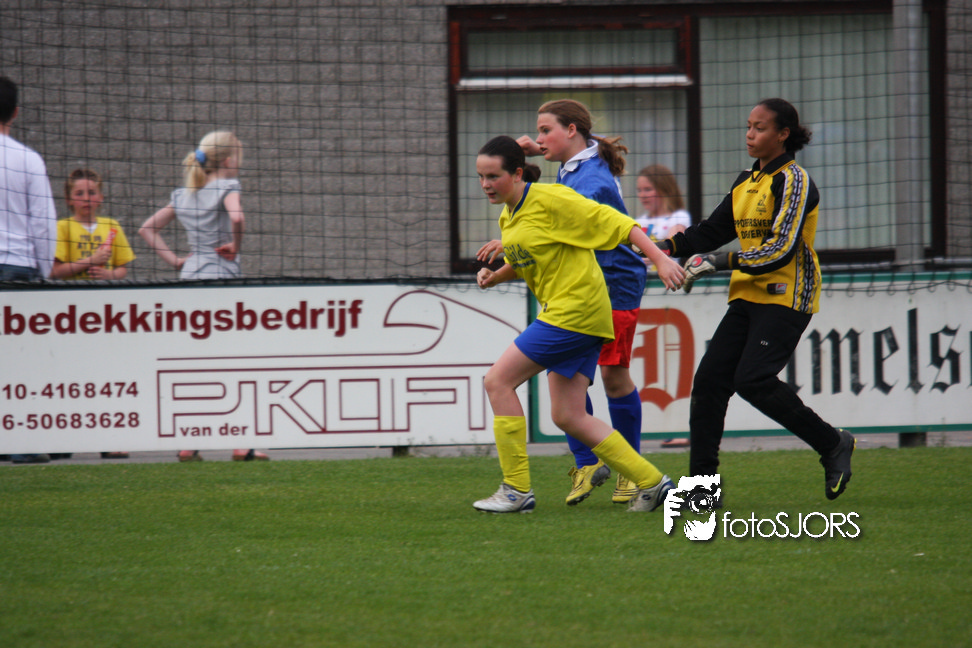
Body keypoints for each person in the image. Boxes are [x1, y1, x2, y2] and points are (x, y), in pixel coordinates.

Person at [472, 135, 685, 513]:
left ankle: (516, 491)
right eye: (481, 177)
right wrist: (495, 276)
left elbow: (617, 223)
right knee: (567, 415)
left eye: (493, 176)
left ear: (517, 174)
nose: (486, 184)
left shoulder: (551, 199)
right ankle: (654, 484)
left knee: (497, 381)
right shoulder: (509, 214)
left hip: (574, 313)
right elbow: (528, 259)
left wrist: (661, 259)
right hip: (575, 314)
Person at [659, 98, 855, 500]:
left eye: (760, 128)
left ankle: (833, 443)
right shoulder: (746, 181)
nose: (750, 134)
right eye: (749, 126)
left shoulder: (795, 181)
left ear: (783, 134)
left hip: (787, 294)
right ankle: (703, 489)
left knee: (752, 379)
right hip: (748, 295)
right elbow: (710, 232)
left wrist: (719, 261)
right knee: (710, 382)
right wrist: (658, 247)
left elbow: (779, 251)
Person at [139, 130, 267, 463]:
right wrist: (235, 245)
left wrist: (175, 261)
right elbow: (237, 217)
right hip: (220, 280)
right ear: (228, 160)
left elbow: (147, 229)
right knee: (234, 360)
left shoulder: (184, 194)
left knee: (196, 363)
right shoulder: (227, 187)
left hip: (189, 280)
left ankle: (189, 443)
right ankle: (242, 445)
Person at [53, 168, 136, 459]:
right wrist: (90, 261)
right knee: (69, 376)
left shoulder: (112, 226)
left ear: (100, 197)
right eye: (79, 193)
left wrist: (108, 274)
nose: (86, 198)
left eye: (91, 192)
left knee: (106, 374)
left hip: (104, 315)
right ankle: (62, 441)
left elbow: (123, 269)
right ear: (69, 199)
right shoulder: (63, 228)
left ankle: (108, 440)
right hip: (70, 314)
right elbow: (55, 270)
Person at [1, 76, 57, 464]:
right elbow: (43, 222)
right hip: (18, 268)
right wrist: (45, 271)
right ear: (16, 112)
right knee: (18, 361)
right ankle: (20, 443)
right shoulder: (28, 160)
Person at [634, 164, 692, 449]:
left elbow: (670, 246)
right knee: (653, 372)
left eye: (648, 189)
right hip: (644, 301)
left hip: (673, 299)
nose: (643, 195)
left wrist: (649, 255)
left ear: (664, 189)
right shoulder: (638, 222)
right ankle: (662, 427)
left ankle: (682, 427)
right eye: (639, 190)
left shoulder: (679, 218)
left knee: (676, 369)